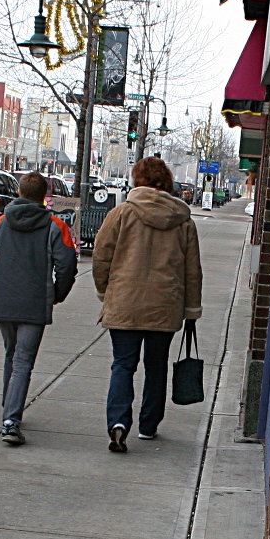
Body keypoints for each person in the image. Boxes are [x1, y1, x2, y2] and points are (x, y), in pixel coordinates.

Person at [92, 156, 202, 453]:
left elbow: (101, 256)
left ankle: (118, 422)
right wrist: (192, 309)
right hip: (165, 305)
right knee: (156, 366)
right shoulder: (183, 221)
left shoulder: (121, 214)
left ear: (137, 179)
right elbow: (192, 270)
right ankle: (149, 425)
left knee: (123, 365)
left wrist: (105, 290)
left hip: (124, 302)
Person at [0, 174, 79, 446]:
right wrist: (57, 294)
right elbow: (67, 265)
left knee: (11, 353)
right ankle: (11, 420)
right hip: (34, 298)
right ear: (45, 196)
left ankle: (9, 405)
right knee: (23, 360)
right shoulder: (55, 225)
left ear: (19, 192)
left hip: (5, 297)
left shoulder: (2, 222)